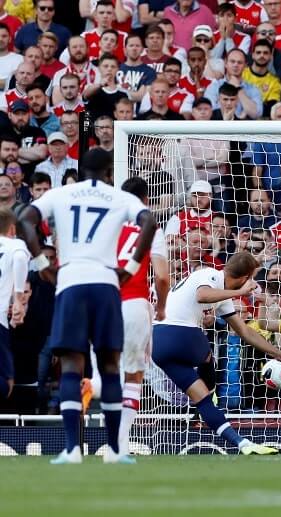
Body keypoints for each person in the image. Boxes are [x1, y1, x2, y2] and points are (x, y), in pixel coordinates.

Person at [17, 148, 157, 464]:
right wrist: (132, 268)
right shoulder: (119, 198)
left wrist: (41, 263)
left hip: (71, 281)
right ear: (109, 172)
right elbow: (149, 221)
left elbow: (25, 217)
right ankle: (115, 452)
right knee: (110, 366)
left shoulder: (61, 193)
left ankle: (71, 449)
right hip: (107, 284)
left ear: (81, 171)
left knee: (71, 365)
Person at [152, 251, 281, 454]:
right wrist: (240, 293)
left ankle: (243, 444)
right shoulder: (210, 275)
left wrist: (276, 352)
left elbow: (244, 331)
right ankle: (211, 388)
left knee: (202, 400)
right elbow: (202, 295)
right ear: (244, 278)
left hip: (158, 345)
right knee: (207, 354)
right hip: (178, 333)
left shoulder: (222, 296)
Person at [115, 177, 170, 455]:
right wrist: (160, 307)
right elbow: (161, 277)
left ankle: (90, 386)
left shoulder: (107, 225)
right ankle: (120, 446)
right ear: (146, 199)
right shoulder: (151, 227)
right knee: (133, 375)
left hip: (101, 302)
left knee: (106, 371)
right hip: (134, 303)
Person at [0, 208, 30, 406]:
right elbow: (20, 258)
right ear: (12, 229)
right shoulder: (15, 244)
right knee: (4, 385)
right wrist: (18, 299)